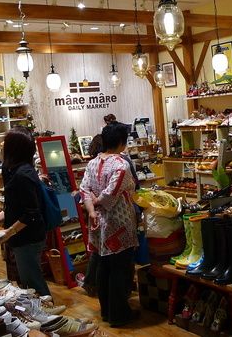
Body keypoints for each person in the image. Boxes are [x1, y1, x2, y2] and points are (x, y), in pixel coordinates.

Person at [81, 122, 139, 327]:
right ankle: (119, 314)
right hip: (118, 221)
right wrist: (98, 201)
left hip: (96, 221)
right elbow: (111, 194)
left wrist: (91, 210)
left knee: (103, 266)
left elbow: (84, 190)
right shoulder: (121, 164)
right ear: (122, 142)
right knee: (119, 268)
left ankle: (106, 311)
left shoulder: (92, 163)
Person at [0, 126, 51, 297]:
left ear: (13, 148)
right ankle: (39, 310)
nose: (2, 145)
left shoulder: (23, 174)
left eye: (6, 142)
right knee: (26, 282)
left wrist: (9, 232)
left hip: (28, 237)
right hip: (22, 235)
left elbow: (31, 213)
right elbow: (13, 206)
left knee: (33, 283)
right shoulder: (12, 170)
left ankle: (48, 311)